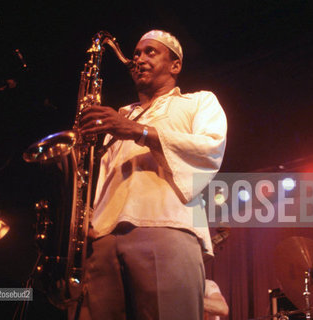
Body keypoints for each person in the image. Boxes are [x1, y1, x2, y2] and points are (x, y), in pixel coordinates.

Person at [71, 29, 227, 320]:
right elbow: (101, 176)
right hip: (103, 238)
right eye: (137, 53)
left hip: (168, 227)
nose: (138, 59)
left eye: (150, 52)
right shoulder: (119, 115)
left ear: (175, 65)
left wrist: (137, 131)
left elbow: (209, 148)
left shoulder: (199, 102)